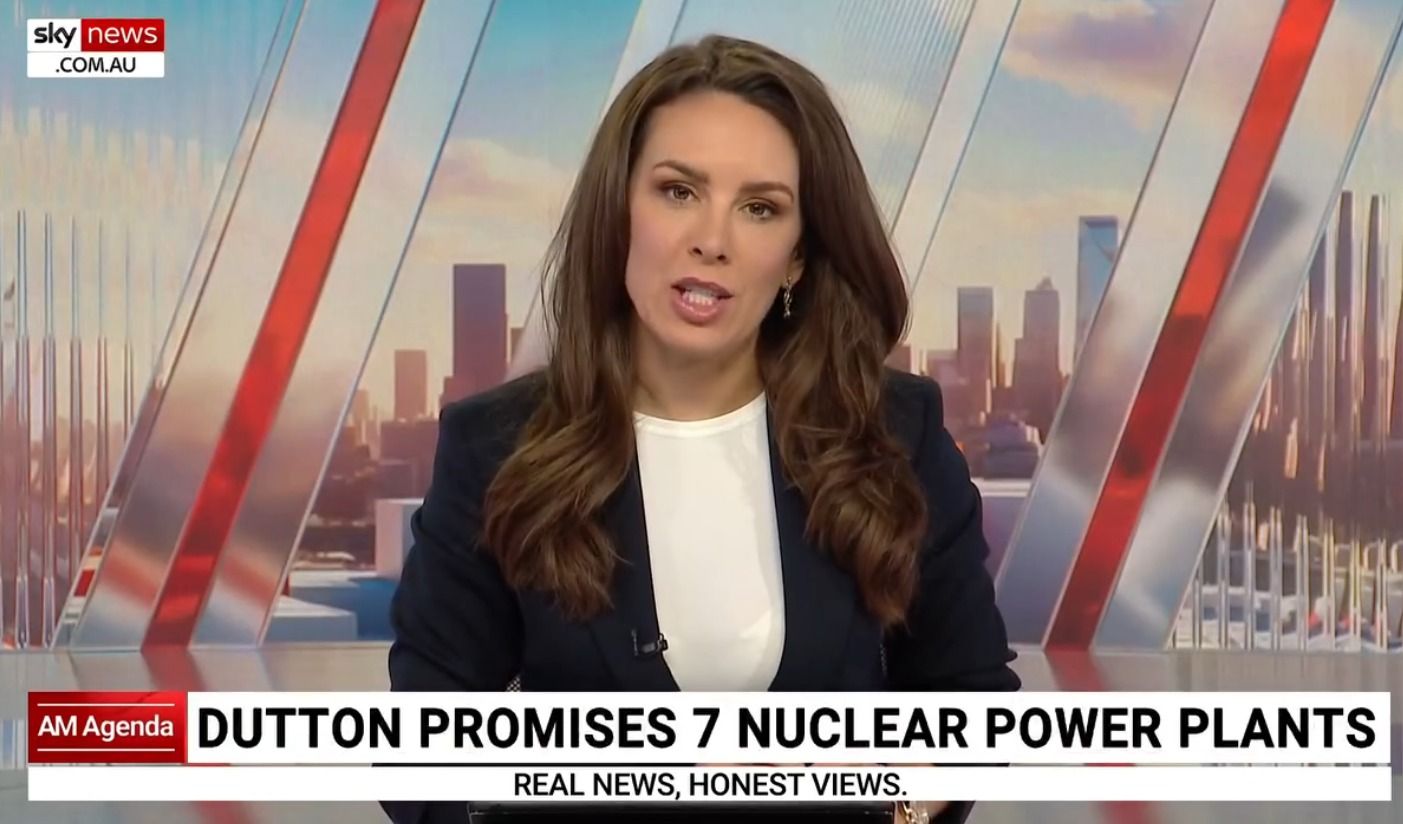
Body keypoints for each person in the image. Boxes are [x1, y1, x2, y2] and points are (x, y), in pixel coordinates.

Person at [384, 34, 1019, 824]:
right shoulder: (496, 447)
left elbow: (970, 701)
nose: (712, 240)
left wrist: (893, 802)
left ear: (796, 257)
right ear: (620, 211)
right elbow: (422, 756)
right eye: (678, 191)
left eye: (759, 208)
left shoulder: (894, 432)